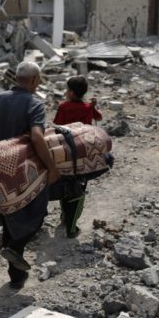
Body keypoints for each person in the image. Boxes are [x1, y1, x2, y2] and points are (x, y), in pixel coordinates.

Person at [0, 61, 60, 290]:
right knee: (37, 215)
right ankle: (15, 249)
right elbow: (38, 138)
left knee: (10, 216)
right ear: (33, 80)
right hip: (25, 173)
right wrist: (52, 167)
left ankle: (16, 278)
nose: (38, 83)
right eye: (38, 80)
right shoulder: (34, 104)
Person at [53, 76, 101, 237]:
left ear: (72, 93)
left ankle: (65, 219)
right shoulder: (88, 107)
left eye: (67, 90)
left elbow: (57, 127)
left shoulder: (64, 107)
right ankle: (72, 226)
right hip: (84, 154)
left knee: (65, 185)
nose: (66, 92)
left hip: (65, 153)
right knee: (80, 188)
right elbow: (99, 117)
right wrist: (93, 106)